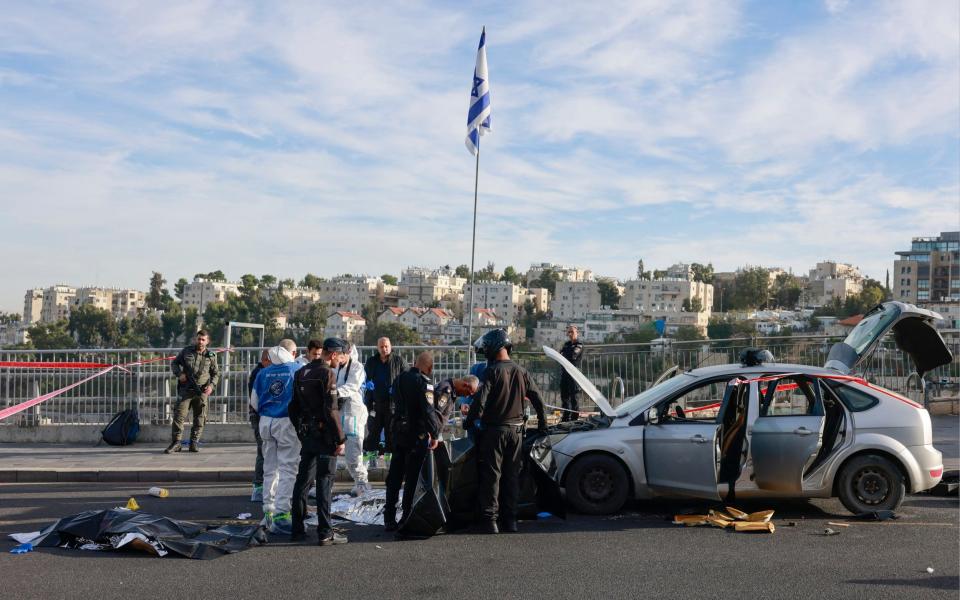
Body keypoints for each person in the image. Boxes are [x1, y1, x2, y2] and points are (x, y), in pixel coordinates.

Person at [465, 329, 547, 534]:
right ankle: (510, 521)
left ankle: (490, 521)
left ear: (493, 348)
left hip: (494, 431)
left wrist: (470, 421)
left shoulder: (491, 372)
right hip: (517, 432)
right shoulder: (522, 371)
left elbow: (480, 401)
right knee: (511, 477)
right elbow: (538, 399)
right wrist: (543, 425)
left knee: (491, 476)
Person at [288, 339, 348, 545]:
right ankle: (325, 532)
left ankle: (297, 528)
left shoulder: (301, 373)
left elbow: (292, 408)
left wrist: (301, 431)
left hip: (308, 435)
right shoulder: (326, 373)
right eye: (340, 357)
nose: (341, 361)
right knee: (325, 482)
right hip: (325, 436)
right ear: (333, 355)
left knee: (303, 482)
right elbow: (331, 410)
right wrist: (340, 438)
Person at [383, 352, 441, 533]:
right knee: (411, 479)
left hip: (399, 433)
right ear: (429, 368)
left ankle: (389, 517)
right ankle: (406, 516)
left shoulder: (399, 379)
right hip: (417, 435)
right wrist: (436, 434)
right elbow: (429, 411)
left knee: (395, 477)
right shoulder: (425, 383)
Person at [249, 339, 302, 534]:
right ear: (292, 353)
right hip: (287, 422)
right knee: (288, 469)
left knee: (270, 468)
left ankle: (268, 511)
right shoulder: (296, 370)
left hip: (266, 422)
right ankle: (281, 515)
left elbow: (254, 402)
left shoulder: (263, 373)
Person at [166, 329, 221, 454]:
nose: (200, 341)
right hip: (186, 391)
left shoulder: (211, 356)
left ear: (207, 341)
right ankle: (176, 443)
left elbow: (216, 373)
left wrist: (211, 386)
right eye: (199, 339)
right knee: (179, 416)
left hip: (201, 391)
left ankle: (194, 442)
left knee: (200, 418)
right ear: (195, 339)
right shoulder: (186, 351)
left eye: (203, 339)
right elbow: (174, 363)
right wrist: (179, 374)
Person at [329, 339, 370, 496]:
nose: (337, 357)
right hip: (338, 412)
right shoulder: (336, 367)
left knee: (353, 452)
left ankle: (362, 483)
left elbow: (351, 386)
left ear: (347, 353)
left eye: (340, 354)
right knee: (332, 450)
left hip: (353, 414)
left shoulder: (357, 367)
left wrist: (335, 393)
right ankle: (327, 483)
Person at [363, 337, 408, 456]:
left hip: (392, 404)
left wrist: (398, 388)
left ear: (391, 346)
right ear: (377, 348)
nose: (384, 349)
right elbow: (364, 377)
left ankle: (389, 464)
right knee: (373, 434)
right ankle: (370, 462)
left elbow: (408, 378)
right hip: (374, 404)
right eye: (381, 347)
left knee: (391, 435)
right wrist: (366, 382)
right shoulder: (371, 361)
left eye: (386, 346)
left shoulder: (399, 361)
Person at [248, 349, 270, 502]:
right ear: (265, 360)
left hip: (262, 415)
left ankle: (262, 485)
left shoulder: (262, 372)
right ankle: (258, 486)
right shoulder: (260, 374)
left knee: (265, 451)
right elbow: (258, 399)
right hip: (259, 416)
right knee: (262, 451)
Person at [559, 325, 584, 422]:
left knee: (574, 397)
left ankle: (574, 418)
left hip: (574, 374)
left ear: (577, 333)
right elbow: (560, 354)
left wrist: (565, 353)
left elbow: (573, 355)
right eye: (568, 332)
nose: (570, 334)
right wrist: (565, 353)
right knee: (564, 396)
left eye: (572, 332)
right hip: (565, 373)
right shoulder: (566, 344)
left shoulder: (579, 344)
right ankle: (566, 417)